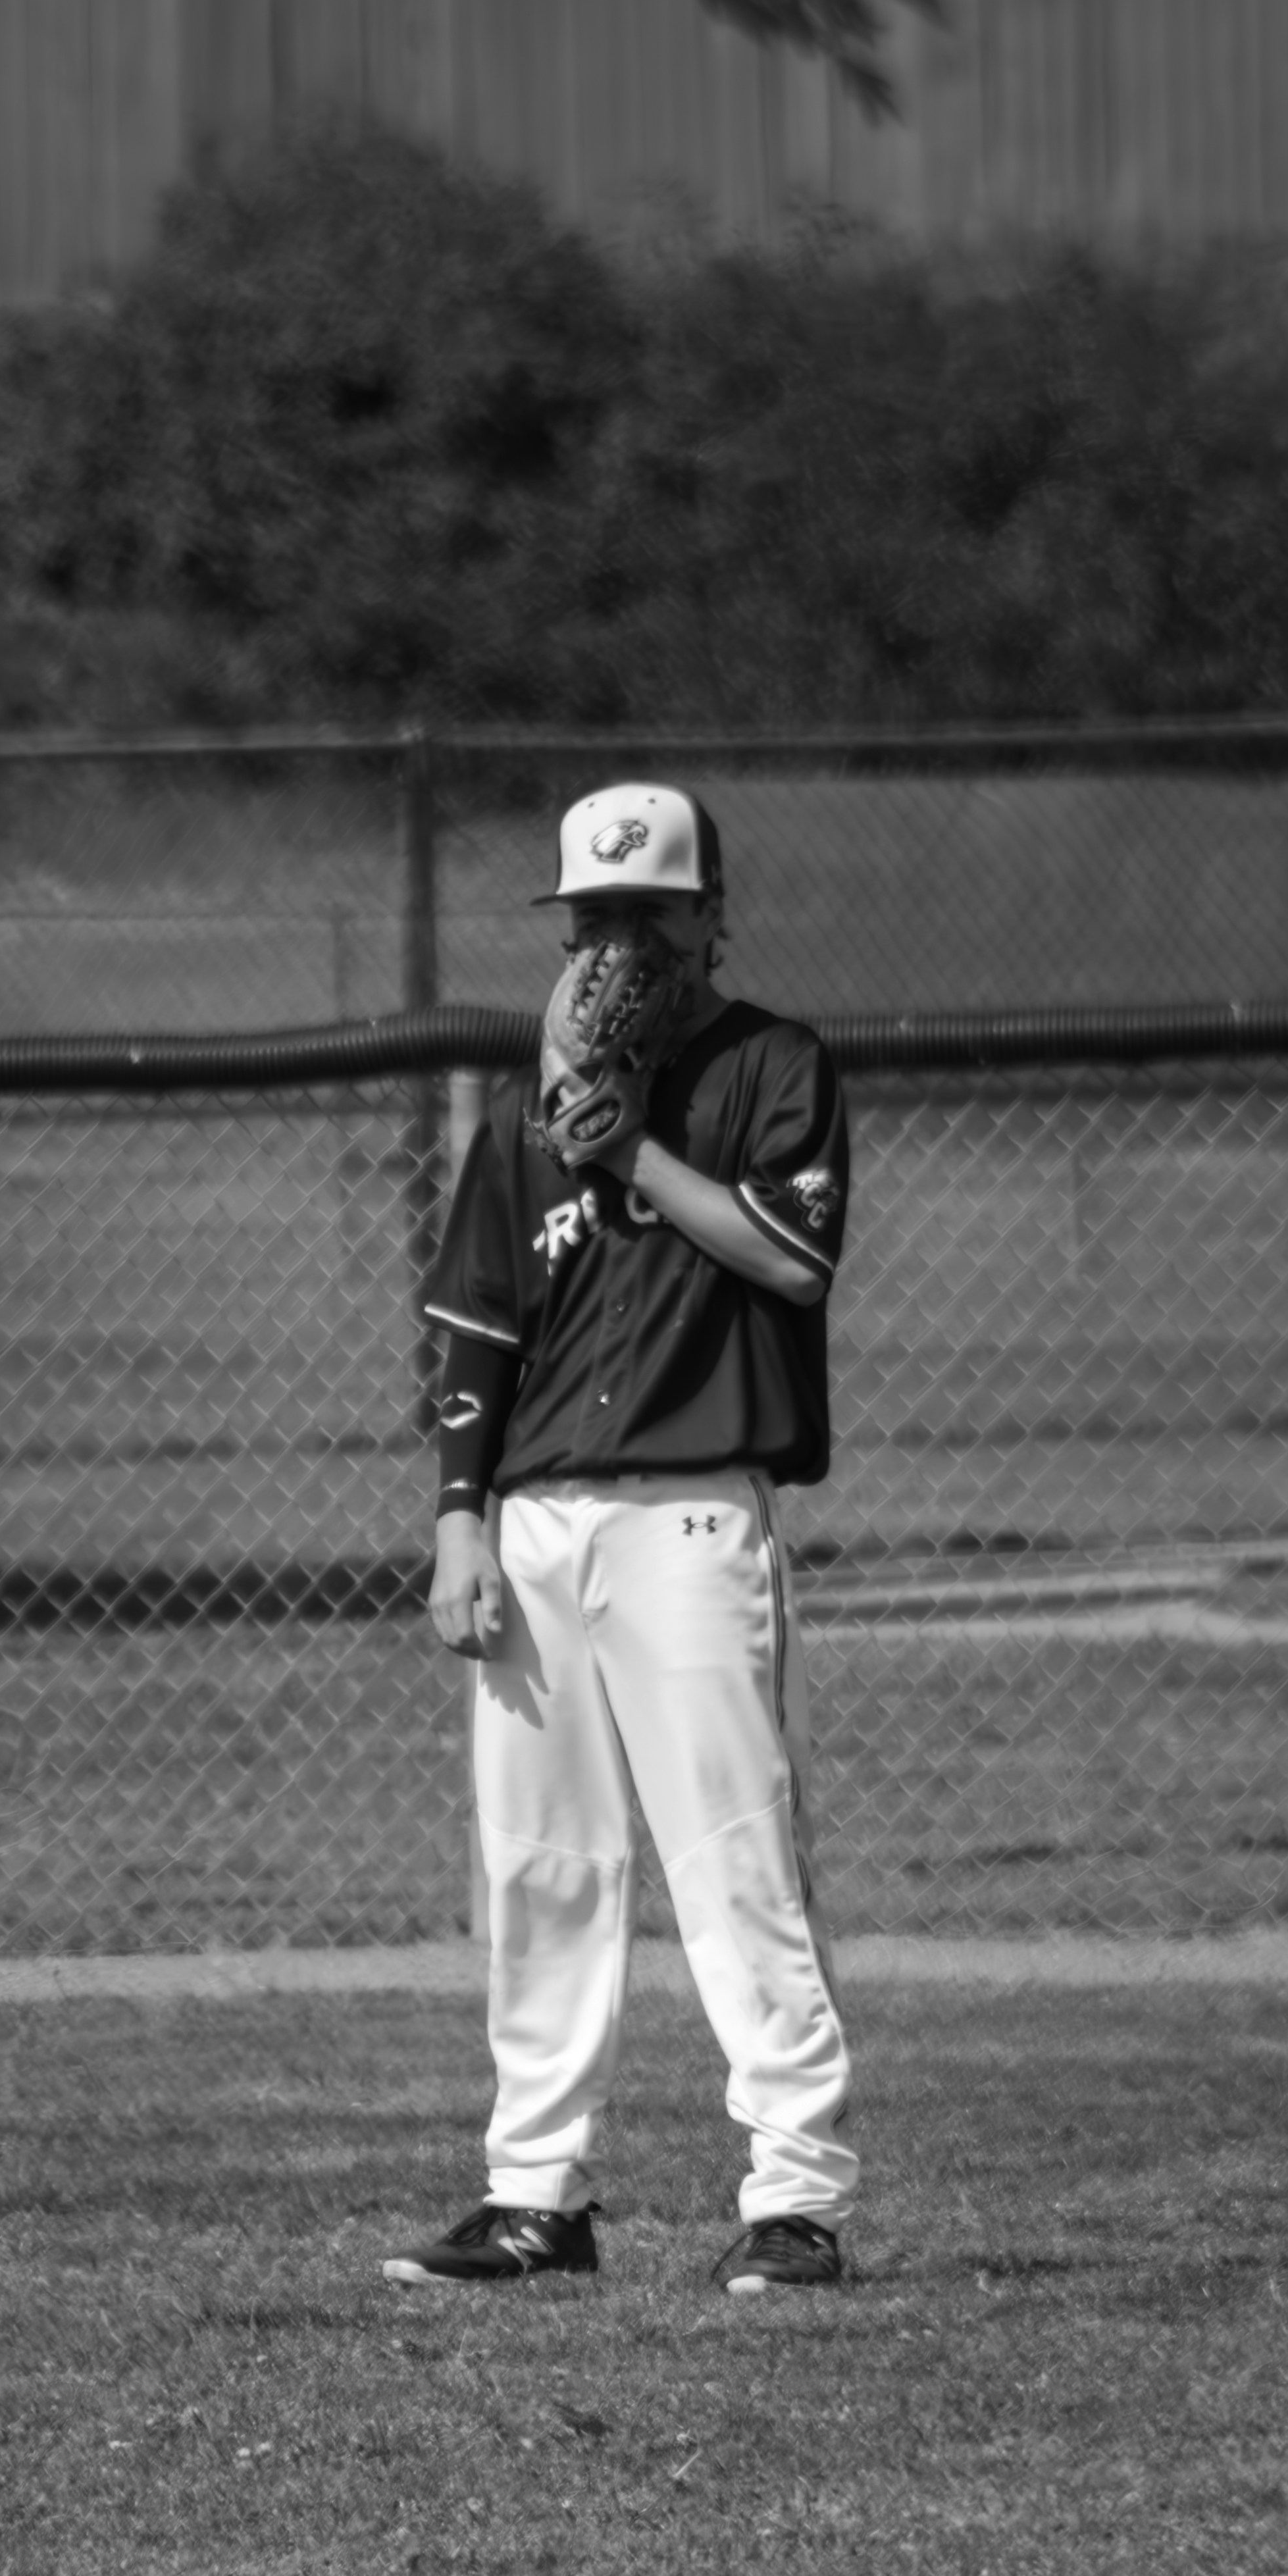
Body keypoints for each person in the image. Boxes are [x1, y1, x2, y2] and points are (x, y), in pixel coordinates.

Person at [384, 781, 858, 2297]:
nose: (612, 948)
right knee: (541, 1866)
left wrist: (637, 1151)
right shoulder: (530, 1111)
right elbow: (474, 1331)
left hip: (692, 1514)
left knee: (734, 1858)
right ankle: (536, 2196)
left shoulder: (771, 1067)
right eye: (589, 917)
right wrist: (460, 1515)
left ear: (711, 917)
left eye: (645, 915)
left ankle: (794, 2197)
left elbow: (789, 1258)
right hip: (534, 1522)